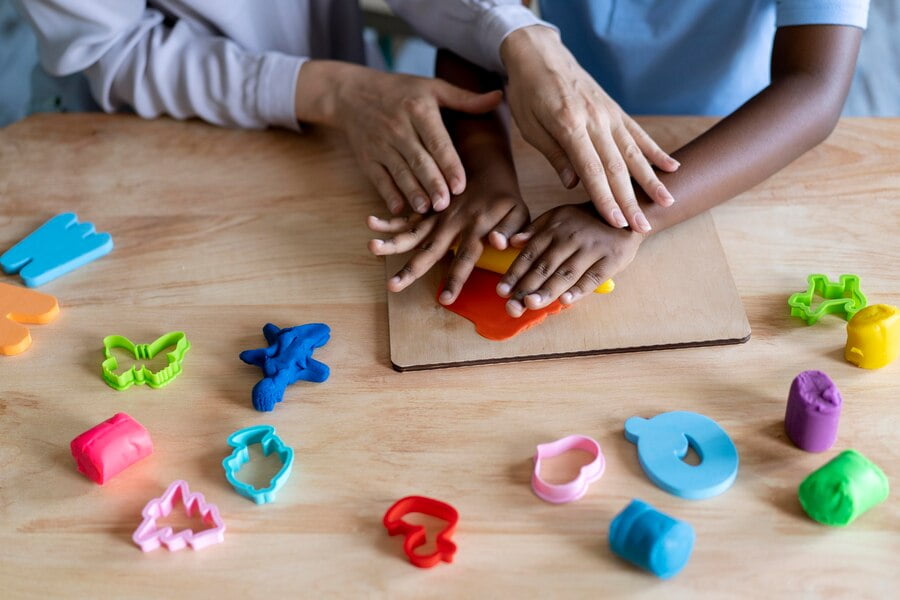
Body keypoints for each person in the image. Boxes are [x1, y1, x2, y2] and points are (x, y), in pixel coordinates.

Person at [370, 0, 869, 318]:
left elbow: (814, 90)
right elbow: (478, 22)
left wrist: (634, 214)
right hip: (550, 115)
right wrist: (484, 167)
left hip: (729, 137)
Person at [14, 0, 676, 228]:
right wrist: (327, 92)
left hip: (331, 122)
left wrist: (518, 36)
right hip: (153, 137)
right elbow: (111, 48)